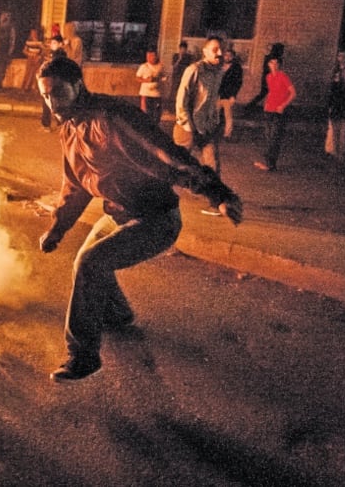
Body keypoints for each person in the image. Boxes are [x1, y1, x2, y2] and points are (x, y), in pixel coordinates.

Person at [37, 56, 243, 381]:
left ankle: (83, 356)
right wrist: (58, 229)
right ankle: (118, 314)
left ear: (78, 85)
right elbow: (75, 186)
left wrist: (216, 193)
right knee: (86, 261)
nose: (52, 102)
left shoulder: (113, 117)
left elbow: (167, 155)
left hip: (155, 219)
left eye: (58, 92)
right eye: (45, 95)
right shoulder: (70, 130)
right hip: (118, 214)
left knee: (91, 262)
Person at [174, 36, 226, 174]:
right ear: (205, 51)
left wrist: (215, 121)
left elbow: (214, 99)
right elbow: (181, 98)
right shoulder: (194, 70)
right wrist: (186, 124)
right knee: (176, 165)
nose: (220, 53)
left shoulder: (219, 73)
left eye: (221, 49)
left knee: (213, 166)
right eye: (215, 50)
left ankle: (217, 195)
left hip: (206, 128)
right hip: (188, 127)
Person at [253, 56, 296, 172]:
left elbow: (293, 93)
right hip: (269, 110)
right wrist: (266, 103)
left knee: (274, 138)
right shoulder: (268, 77)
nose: (274, 65)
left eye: (276, 63)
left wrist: (283, 105)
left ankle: (270, 165)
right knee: (268, 136)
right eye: (272, 63)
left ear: (279, 65)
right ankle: (268, 163)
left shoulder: (283, 76)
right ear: (268, 64)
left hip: (279, 111)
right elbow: (272, 92)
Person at [245, 42, 286, 113]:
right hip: (270, 78)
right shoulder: (275, 58)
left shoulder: (269, 56)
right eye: (281, 50)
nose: (282, 52)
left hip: (266, 77)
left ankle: (250, 106)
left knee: (264, 93)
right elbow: (273, 69)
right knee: (269, 93)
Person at [40, 33, 68, 131]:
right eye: (51, 42)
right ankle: (46, 124)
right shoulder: (51, 54)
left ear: (60, 44)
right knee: (47, 103)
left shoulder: (61, 55)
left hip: (56, 82)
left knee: (55, 104)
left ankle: (61, 124)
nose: (52, 44)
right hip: (48, 82)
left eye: (55, 43)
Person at [218, 48, 244, 140]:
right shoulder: (219, 66)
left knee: (228, 116)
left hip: (228, 96)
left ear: (233, 57)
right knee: (214, 114)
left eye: (230, 56)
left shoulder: (236, 68)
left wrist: (233, 95)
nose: (227, 57)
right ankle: (213, 132)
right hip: (217, 95)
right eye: (226, 55)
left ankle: (227, 134)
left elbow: (238, 83)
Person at [135, 48, 166, 124]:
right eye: (147, 56)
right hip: (146, 94)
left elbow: (165, 77)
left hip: (157, 94)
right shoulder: (143, 66)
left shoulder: (161, 66)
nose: (148, 58)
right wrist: (146, 80)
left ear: (156, 56)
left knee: (156, 114)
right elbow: (137, 78)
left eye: (151, 56)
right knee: (145, 113)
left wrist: (157, 79)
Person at [0, 11, 17, 94]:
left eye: (4, 16)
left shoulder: (10, 28)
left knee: (1, 69)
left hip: (4, 51)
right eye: (2, 16)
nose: (2, 18)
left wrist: (10, 52)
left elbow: (12, 41)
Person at [169, 41, 194, 110]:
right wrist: (179, 59)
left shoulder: (189, 57)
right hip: (176, 77)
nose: (183, 50)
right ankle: (171, 108)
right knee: (174, 92)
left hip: (185, 77)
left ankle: (182, 108)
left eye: (184, 49)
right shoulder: (176, 56)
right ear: (179, 49)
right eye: (181, 49)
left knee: (183, 93)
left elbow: (191, 66)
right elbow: (174, 66)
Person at [20, 28, 45, 92]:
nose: (34, 35)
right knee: (28, 73)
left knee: (36, 74)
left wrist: (39, 57)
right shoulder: (29, 42)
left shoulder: (39, 43)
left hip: (37, 59)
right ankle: (24, 87)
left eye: (35, 33)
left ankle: (34, 88)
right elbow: (24, 51)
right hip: (30, 58)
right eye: (32, 33)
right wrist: (30, 54)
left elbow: (43, 51)